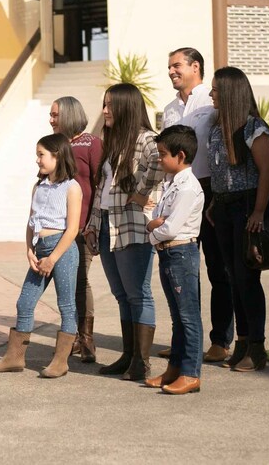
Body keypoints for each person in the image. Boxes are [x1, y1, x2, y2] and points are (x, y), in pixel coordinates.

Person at [84, 83, 164, 382]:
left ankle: (142, 363)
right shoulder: (113, 142)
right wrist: (92, 223)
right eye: (104, 104)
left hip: (132, 228)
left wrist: (141, 193)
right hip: (106, 225)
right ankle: (129, 356)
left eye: (109, 105)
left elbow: (160, 164)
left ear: (125, 107)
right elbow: (100, 189)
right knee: (121, 295)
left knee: (138, 294)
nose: (104, 110)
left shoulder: (147, 139)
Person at [0, 133, 82, 378]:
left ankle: (61, 361)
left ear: (57, 155)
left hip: (62, 251)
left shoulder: (72, 187)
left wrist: (53, 258)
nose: (37, 160)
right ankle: (14, 358)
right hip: (40, 251)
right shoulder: (38, 187)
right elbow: (31, 222)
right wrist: (29, 249)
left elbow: (72, 229)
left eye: (41, 155)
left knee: (66, 304)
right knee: (25, 302)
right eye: (37, 155)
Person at [160, 47, 232, 363]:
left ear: (195, 67)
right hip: (180, 192)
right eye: (169, 67)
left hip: (210, 190)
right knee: (183, 269)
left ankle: (221, 340)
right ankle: (186, 340)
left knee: (218, 269)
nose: (171, 71)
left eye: (177, 65)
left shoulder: (212, 102)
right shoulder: (169, 110)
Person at [207, 67, 269, 372]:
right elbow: (219, 173)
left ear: (230, 92)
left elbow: (267, 172)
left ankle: (257, 347)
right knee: (232, 277)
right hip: (222, 207)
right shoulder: (215, 128)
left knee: (247, 278)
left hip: (248, 205)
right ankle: (242, 342)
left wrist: (259, 211)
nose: (211, 95)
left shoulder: (253, 128)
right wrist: (212, 203)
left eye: (216, 90)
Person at [145, 125, 205, 394]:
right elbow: (156, 218)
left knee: (188, 316)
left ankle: (191, 373)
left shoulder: (188, 188)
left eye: (162, 154)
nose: (159, 159)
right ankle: (175, 368)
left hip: (181, 252)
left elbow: (168, 227)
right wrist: (156, 226)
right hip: (168, 251)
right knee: (177, 317)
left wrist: (153, 231)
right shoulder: (172, 184)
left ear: (180, 155)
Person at [49, 96, 102, 363]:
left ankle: (86, 339)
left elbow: (99, 185)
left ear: (69, 114)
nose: (51, 119)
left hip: (82, 227)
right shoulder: (55, 144)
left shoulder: (91, 143)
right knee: (65, 283)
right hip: (56, 227)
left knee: (80, 281)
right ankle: (71, 337)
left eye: (55, 115)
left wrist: (93, 222)